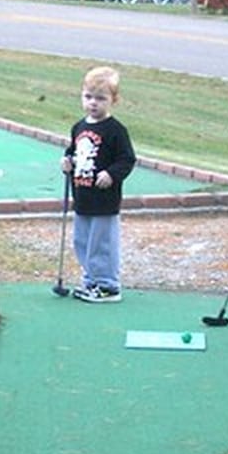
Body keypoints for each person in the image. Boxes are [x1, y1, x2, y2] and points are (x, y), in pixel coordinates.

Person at [60, 65, 136, 303]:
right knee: (82, 241)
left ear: (114, 99)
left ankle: (108, 285)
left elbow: (127, 159)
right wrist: (67, 161)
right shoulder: (79, 127)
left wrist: (112, 174)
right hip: (82, 196)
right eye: (88, 97)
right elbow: (74, 151)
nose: (93, 103)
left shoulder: (116, 130)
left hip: (104, 199)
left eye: (101, 98)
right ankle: (91, 279)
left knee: (102, 243)